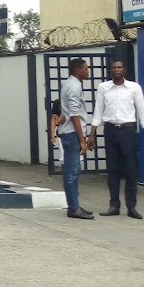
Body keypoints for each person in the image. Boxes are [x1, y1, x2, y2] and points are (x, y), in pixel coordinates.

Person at [88, 60, 144, 219]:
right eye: (114, 67)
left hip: (128, 130)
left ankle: (131, 206)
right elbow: (98, 111)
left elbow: (142, 111)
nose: (116, 70)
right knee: (112, 169)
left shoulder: (134, 87)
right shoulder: (103, 87)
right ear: (110, 70)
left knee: (130, 169)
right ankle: (114, 205)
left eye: (119, 67)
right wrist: (91, 134)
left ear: (124, 69)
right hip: (110, 129)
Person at [57, 57, 94, 219]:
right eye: (85, 69)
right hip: (72, 134)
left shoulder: (68, 84)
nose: (88, 71)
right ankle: (73, 208)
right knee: (71, 172)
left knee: (74, 170)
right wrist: (82, 140)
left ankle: (75, 204)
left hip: (68, 132)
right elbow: (74, 115)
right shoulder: (74, 87)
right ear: (78, 70)